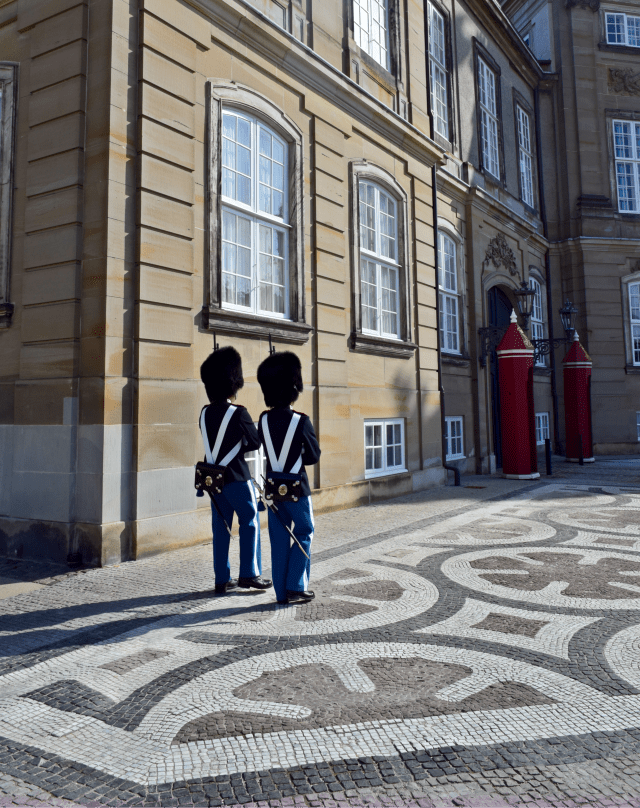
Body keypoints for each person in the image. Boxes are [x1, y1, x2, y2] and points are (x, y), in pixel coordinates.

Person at [199, 346, 272, 595]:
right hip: (238, 478)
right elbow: (255, 442)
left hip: (214, 480)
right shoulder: (239, 413)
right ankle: (249, 574)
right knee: (250, 523)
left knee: (220, 528)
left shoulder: (204, 413)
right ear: (233, 384)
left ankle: (222, 579)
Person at [257, 351, 321, 605]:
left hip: (273, 488)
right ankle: (296, 585)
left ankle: (281, 593)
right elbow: (313, 456)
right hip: (297, 489)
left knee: (279, 539)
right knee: (304, 531)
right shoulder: (301, 420)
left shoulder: (263, 419)